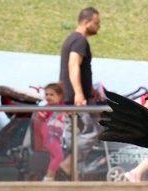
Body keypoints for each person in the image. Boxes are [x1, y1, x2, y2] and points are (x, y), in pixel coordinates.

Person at [58, 7, 102, 177]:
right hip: (77, 99)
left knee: (73, 135)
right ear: (86, 22)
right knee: (93, 132)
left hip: (71, 98)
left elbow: (79, 69)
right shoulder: (79, 41)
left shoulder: (71, 39)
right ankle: (66, 166)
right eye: (96, 23)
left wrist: (88, 88)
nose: (98, 27)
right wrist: (79, 93)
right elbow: (73, 65)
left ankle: (67, 173)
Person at [33, 83, 66, 181]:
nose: (48, 97)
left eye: (52, 95)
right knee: (59, 156)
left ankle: (52, 177)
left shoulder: (63, 107)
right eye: (46, 94)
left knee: (54, 157)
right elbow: (39, 121)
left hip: (57, 137)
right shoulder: (46, 108)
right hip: (49, 136)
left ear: (59, 96)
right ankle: (48, 178)